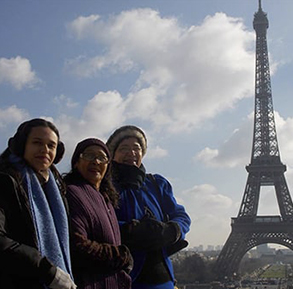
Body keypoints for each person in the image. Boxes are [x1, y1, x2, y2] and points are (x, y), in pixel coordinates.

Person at [106, 125, 191, 289]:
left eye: (136, 148)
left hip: (161, 278)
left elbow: (180, 215)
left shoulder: (157, 183)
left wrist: (173, 230)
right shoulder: (105, 186)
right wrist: (130, 230)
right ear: (112, 155)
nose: (131, 153)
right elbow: (98, 221)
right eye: (124, 148)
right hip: (123, 277)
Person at [0, 118, 76, 289]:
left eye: (52, 146)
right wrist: (47, 271)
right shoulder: (6, 180)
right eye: (37, 142)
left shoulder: (57, 188)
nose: (45, 150)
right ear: (21, 145)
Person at [63, 138, 133, 289]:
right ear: (76, 162)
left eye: (102, 158)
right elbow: (77, 246)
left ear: (107, 166)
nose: (96, 161)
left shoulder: (106, 198)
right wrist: (121, 256)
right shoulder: (73, 192)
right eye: (89, 155)